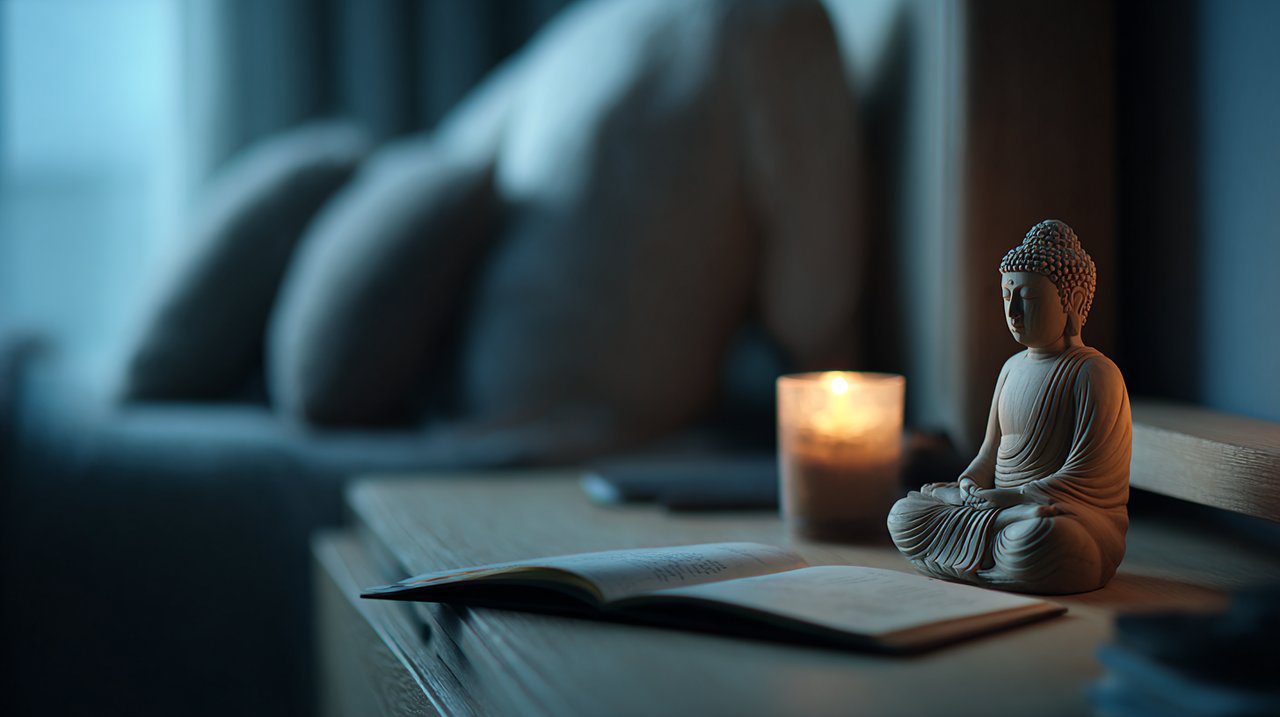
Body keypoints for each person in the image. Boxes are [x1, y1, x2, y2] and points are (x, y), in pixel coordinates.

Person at [887, 220, 1132, 594]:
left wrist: (1012, 498)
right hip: (999, 510)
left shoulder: (1095, 374)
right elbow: (989, 453)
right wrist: (969, 483)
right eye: (1006, 296)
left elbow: (1087, 480)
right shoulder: (1010, 369)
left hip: (1066, 516)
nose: (1014, 311)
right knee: (905, 513)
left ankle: (1002, 539)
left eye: (1028, 298)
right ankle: (1003, 537)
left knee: (1047, 537)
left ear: (1075, 302)